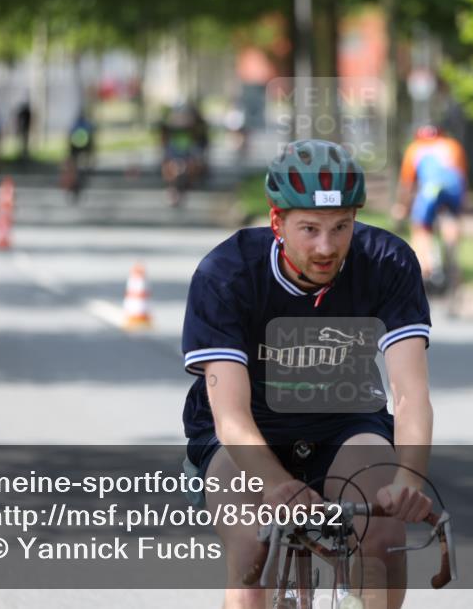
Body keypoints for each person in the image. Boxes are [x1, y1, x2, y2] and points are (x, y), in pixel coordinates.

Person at [182, 139, 434, 608]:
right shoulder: (226, 273)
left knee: (383, 538)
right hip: (247, 430)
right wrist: (276, 484)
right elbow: (230, 417)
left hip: (344, 422)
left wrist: (409, 481)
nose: (326, 247)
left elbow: (410, 395)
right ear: (277, 222)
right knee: (254, 549)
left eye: (341, 227)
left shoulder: (387, 262)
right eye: (310, 229)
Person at [392, 125, 468, 294]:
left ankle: (426, 269)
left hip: (431, 189)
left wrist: (402, 206)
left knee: (420, 227)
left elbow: (407, 184)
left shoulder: (415, 148)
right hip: (453, 189)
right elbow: (461, 176)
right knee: (451, 221)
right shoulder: (453, 145)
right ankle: (452, 258)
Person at [62, 110, 95, 203]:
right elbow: (91, 138)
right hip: (81, 149)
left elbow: (69, 136)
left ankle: (75, 187)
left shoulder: (76, 124)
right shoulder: (86, 125)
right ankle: (77, 186)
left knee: (76, 169)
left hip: (76, 149)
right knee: (81, 169)